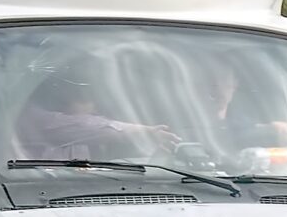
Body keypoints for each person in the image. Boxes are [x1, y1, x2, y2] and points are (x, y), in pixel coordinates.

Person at [13, 69, 174, 161]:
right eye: (85, 98)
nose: (94, 109)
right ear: (61, 95)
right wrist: (145, 132)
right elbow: (88, 127)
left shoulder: (87, 138)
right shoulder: (34, 118)